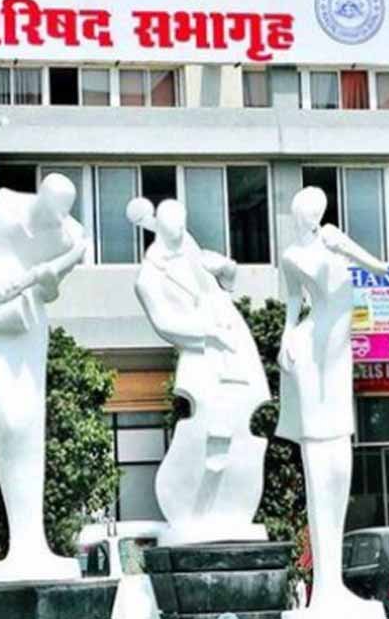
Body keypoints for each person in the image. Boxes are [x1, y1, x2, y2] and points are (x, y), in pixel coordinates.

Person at [0, 174, 88, 582]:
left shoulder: (68, 235)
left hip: (28, 323)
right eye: (53, 211)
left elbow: (51, 291)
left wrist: (50, 277)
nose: (56, 220)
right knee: (8, 422)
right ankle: (19, 541)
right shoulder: (4, 202)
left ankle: (33, 543)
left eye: (63, 214)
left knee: (29, 424)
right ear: (41, 196)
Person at [277, 186, 388, 619]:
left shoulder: (334, 244)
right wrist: (286, 336)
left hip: (338, 358)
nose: (312, 217)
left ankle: (333, 584)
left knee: (340, 466)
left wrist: (345, 248)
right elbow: (293, 301)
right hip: (311, 351)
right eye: (307, 211)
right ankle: (324, 588)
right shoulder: (292, 257)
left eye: (317, 211)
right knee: (319, 462)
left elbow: (379, 269)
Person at [132, 199, 270, 545]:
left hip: (235, 345)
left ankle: (232, 501)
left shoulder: (191, 248)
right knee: (208, 422)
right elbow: (165, 323)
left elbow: (228, 283)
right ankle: (196, 503)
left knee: (239, 418)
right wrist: (207, 333)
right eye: (175, 228)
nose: (181, 233)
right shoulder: (149, 277)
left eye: (183, 226)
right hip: (201, 352)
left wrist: (226, 267)